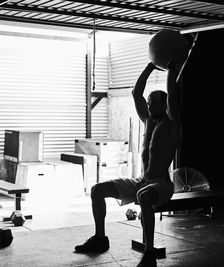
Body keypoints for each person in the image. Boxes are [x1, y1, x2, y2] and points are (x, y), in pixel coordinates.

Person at [74, 60, 181, 267]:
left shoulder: (172, 124)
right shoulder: (148, 121)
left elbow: (174, 95)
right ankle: (100, 239)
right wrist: (150, 68)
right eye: (148, 103)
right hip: (141, 181)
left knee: (143, 196)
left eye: (153, 103)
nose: (149, 106)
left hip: (161, 184)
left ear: (164, 105)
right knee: (97, 190)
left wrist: (171, 70)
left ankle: (149, 253)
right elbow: (136, 94)